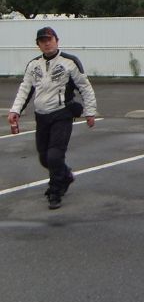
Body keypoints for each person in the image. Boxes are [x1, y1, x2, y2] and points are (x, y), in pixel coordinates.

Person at [8, 26, 97, 210]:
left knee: (55, 155)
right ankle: (65, 175)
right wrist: (15, 110)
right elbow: (25, 88)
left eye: (49, 39)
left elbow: (85, 87)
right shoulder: (33, 65)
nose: (47, 43)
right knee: (44, 158)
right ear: (38, 45)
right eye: (43, 41)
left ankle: (55, 191)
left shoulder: (69, 62)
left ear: (57, 40)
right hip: (41, 116)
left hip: (62, 113)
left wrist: (90, 112)